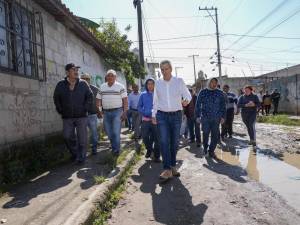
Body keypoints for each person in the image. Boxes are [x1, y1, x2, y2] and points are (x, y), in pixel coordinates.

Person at [152, 60, 191, 181]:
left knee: (174, 143)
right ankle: (167, 169)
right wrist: (154, 114)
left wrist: (186, 101)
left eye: (166, 69)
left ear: (171, 69)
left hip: (176, 116)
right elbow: (156, 100)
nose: (164, 71)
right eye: (162, 69)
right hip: (162, 116)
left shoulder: (179, 81)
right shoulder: (157, 83)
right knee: (164, 142)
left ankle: (173, 165)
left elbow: (188, 95)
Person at [53, 63, 93, 163]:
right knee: (67, 136)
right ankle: (76, 153)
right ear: (67, 72)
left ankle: (82, 158)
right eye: (73, 69)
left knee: (82, 139)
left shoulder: (83, 83)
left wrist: (85, 108)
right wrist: (60, 109)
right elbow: (56, 98)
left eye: (77, 69)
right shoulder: (60, 84)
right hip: (67, 116)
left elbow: (90, 96)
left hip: (81, 116)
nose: (76, 71)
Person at [96, 69, 128, 156]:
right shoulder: (102, 87)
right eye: (108, 75)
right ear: (106, 77)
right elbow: (98, 100)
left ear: (115, 77)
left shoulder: (120, 86)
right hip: (106, 112)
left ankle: (116, 150)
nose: (110, 77)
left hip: (117, 112)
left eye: (112, 75)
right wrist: (99, 110)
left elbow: (125, 100)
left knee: (116, 131)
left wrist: (125, 112)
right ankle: (114, 146)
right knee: (108, 132)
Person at [195, 78, 226, 158]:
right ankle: (205, 148)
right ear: (209, 83)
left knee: (215, 136)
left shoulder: (220, 93)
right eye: (212, 82)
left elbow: (223, 105)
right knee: (205, 134)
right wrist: (198, 116)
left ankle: (211, 151)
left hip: (216, 118)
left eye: (215, 82)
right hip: (205, 118)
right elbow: (198, 105)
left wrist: (223, 117)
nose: (214, 84)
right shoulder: (203, 92)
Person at [137, 78, 161, 162]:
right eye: (148, 84)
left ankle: (157, 156)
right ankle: (149, 149)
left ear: (155, 85)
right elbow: (139, 107)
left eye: (152, 84)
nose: (150, 85)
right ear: (146, 85)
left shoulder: (158, 94)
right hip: (146, 120)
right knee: (145, 137)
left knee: (157, 139)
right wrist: (145, 113)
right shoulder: (143, 95)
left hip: (156, 120)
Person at [81, 73, 101, 155]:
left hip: (92, 114)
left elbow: (98, 102)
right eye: (83, 79)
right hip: (81, 115)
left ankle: (94, 148)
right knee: (82, 134)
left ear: (89, 79)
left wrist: (99, 111)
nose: (85, 80)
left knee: (94, 133)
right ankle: (83, 151)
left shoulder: (95, 89)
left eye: (87, 79)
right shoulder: (77, 89)